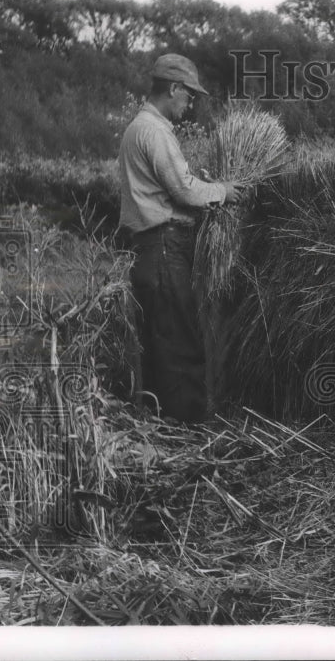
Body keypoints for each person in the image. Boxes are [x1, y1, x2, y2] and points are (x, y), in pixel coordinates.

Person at [118, 53, 245, 422]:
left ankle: (161, 427)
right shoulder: (154, 131)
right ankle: (188, 432)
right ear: (172, 88)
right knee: (182, 343)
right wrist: (223, 190)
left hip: (148, 249)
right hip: (163, 249)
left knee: (159, 344)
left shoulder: (137, 128)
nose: (189, 105)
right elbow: (185, 190)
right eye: (188, 96)